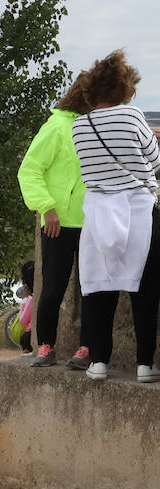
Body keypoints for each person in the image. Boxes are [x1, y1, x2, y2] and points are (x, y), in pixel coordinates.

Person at [70, 50, 160, 381]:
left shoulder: (79, 126)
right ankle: (144, 365)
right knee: (145, 290)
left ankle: (98, 362)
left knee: (98, 288)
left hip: (97, 212)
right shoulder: (133, 116)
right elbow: (154, 162)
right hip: (137, 209)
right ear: (124, 88)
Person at [19, 73, 93, 368]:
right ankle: (46, 346)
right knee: (52, 288)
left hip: (91, 222)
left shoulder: (95, 127)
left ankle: (87, 348)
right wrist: (46, 207)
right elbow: (30, 170)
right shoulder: (56, 126)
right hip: (57, 223)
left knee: (92, 289)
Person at [15, 261, 36, 355]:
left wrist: (24, 304)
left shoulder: (30, 299)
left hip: (31, 336)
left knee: (24, 338)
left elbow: (23, 321)